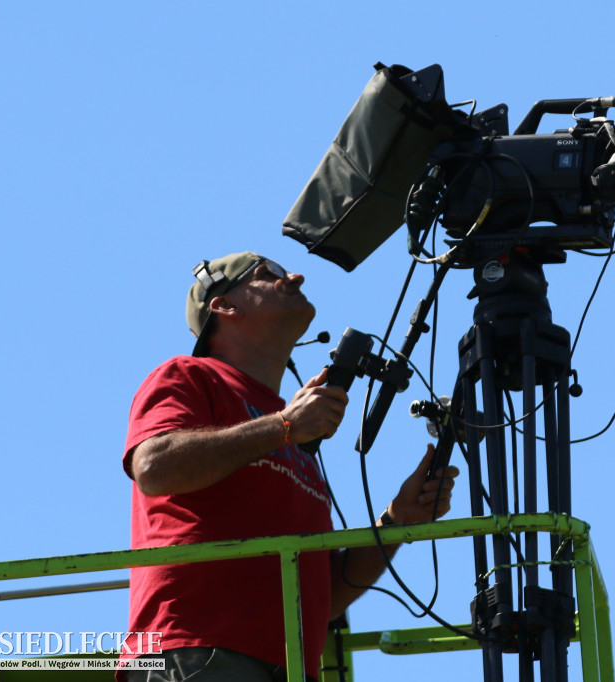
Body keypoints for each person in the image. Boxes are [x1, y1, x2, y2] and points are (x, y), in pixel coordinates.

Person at [119, 251, 459, 682]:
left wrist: (396, 521)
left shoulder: (295, 434)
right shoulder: (187, 376)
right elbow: (154, 467)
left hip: (291, 667)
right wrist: (283, 425)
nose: (295, 276)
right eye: (269, 274)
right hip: (196, 651)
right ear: (223, 305)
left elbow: (324, 595)